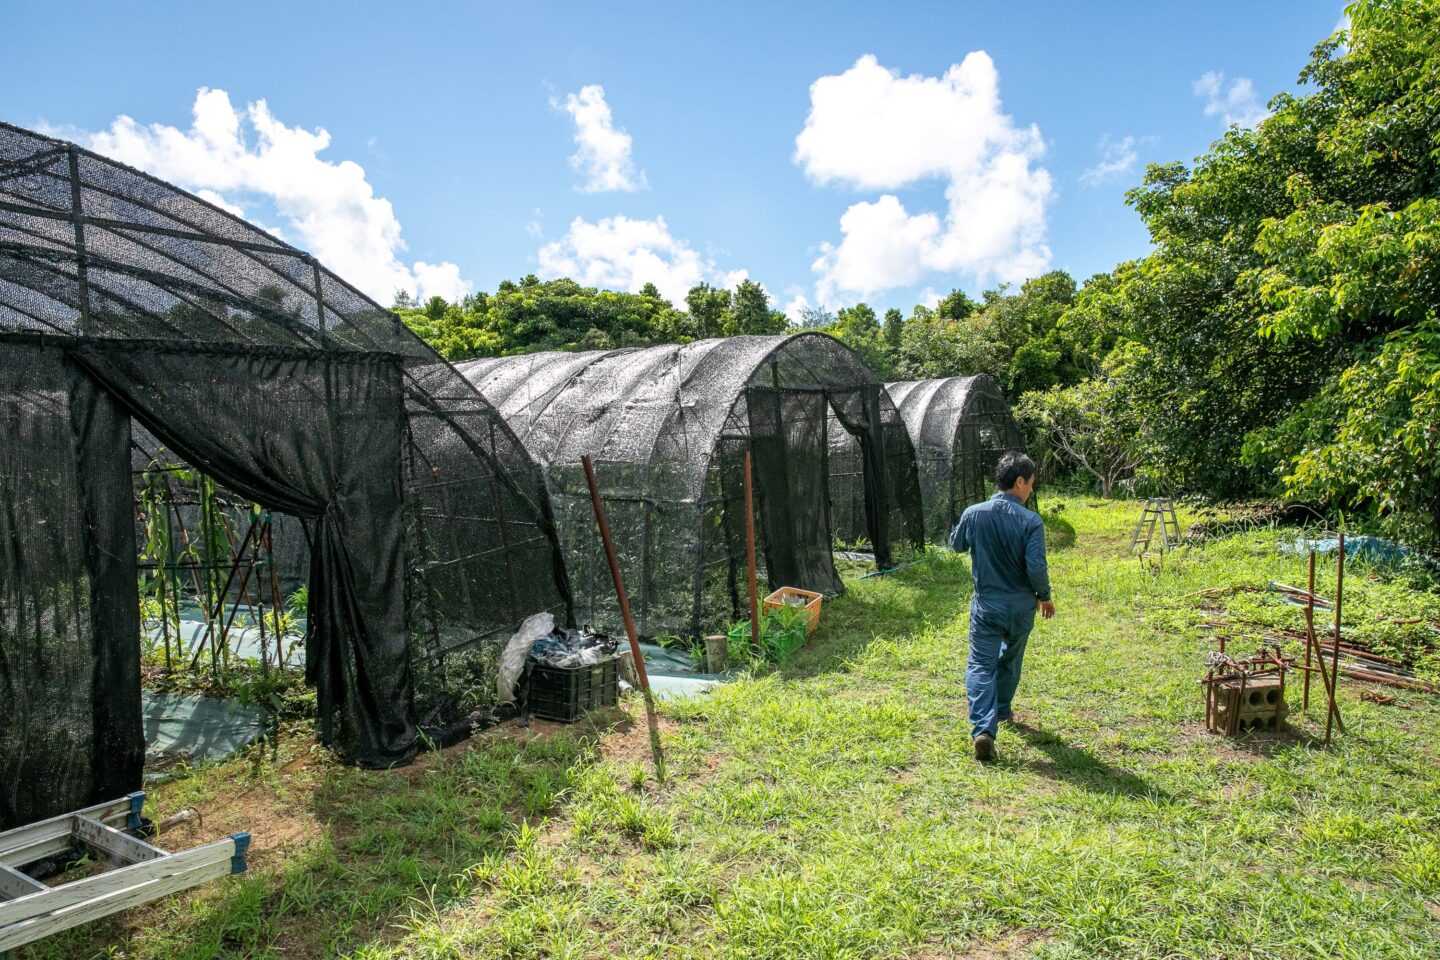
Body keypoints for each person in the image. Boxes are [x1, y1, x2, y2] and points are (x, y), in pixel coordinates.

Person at [949, 451, 1054, 762]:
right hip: (1022, 607)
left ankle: (984, 728)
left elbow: (957, 545)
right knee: (1011, 656)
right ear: (1019, 481)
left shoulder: (974, 513)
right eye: (1031, 484)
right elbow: (1036, 566)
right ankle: (1004, 709)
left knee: (981, 664)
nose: (1031, 490)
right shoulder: (1031, 521)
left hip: (987, 606)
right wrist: (1044, 596)